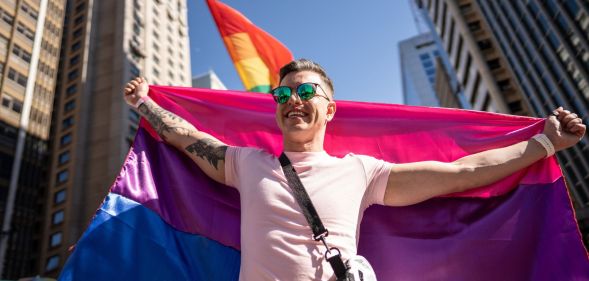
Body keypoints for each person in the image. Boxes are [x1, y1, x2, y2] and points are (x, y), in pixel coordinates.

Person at [123, 59, 586, 280]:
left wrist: (546, 142)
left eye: (305, 93)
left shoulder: (361, 172)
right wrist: (146, 103)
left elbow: (462, 172)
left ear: (329, 110)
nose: (293, 102)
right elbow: (186, 138)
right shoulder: (246, 163)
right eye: (282, 96)